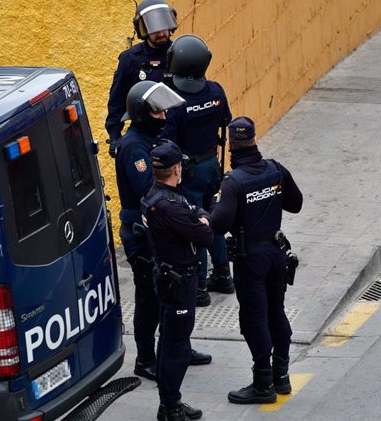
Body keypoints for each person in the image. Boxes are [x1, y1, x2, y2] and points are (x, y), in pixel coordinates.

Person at [115, 80, 211, 382]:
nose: (164, 117)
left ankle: (177, 346)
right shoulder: (134, 147)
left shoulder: (152, 141)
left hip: (160, 229)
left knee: (172, 297)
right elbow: (152, 191)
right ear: (143, 114)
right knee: (150, 297)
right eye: (157, 113)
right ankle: (145, 358)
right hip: (142, 233)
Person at [209, 116, 303, 404]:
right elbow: (296, 204)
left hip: (250, 258)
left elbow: (219, 224)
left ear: (232, 146)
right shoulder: (276, 170)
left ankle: (263, 384)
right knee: (277, 310)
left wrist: (215, 204)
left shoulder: (234, 182)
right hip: (276, 253)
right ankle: (282, 376)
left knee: (254, 318)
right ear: (254, 140)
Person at [141, 141, 214, 421]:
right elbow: (205, 235)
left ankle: (169, 401)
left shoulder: (156, 196)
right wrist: (204, 218)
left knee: (168, 340)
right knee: (176, 345)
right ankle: (170, 406)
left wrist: (198, 216)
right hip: (179, 280)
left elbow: (192, 210)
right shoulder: (171, 206)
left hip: (169, 275)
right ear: (176, 168)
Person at [162, 34, 234, 307]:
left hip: (188, 171)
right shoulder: (216, 91)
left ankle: (200, 286)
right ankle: (223, 274)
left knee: (195, 225)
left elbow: (168, 141)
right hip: (211, 166)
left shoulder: (174, 101)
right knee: (212, 218)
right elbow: (225, 120)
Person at [106, 0, 178, 158]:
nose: (161, 33)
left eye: (164, 27)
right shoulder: (130, 60)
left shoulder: (180, 53)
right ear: (143, 30)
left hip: (176, 131)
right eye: (154, 29)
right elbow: (117, 101)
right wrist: (115, 136)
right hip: (144, 133)